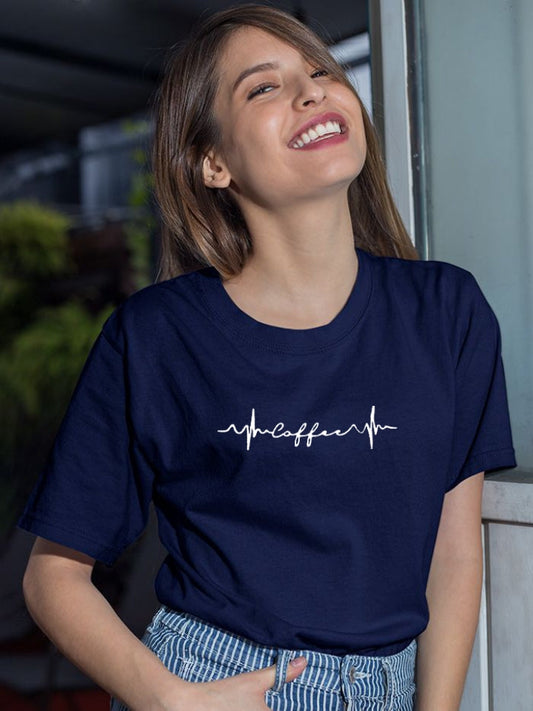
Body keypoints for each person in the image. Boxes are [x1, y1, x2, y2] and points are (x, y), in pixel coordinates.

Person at [18, 4, 516, 711]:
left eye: (319, 72)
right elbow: (53, 576)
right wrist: (166, 697)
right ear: (211, 162)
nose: (311, 91)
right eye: (264, 87)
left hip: (389, 689)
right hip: (211, 680)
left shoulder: (446, 312)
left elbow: (452, 549)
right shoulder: (156, 336)